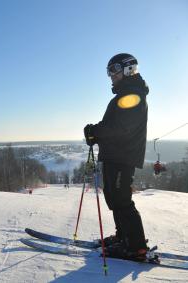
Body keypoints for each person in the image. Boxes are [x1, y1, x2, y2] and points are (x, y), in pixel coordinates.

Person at [84, 53, 149, 261]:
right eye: (108, 71)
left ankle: (136, 246)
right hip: (115, 154)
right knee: (113, 197)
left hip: (123, 156)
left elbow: (121, 127)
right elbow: (116, 127)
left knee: (121, 199)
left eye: (114, 70)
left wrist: (96, 131)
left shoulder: (132, 95)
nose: (110, 75)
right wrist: (95, 135)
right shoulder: (124, 95)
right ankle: (124, 237)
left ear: (129, 69)